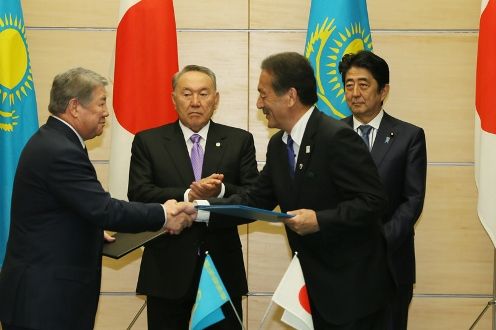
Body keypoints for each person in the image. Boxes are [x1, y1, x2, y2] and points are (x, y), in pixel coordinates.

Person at [198, 52, 395, 329]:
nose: (259, 104)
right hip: (315, 287)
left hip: (353, 292)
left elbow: (373, 202)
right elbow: (255, 199)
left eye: (263, 95)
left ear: (290, 96)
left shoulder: (336, 137)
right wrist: (199, 210)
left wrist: (319, 220)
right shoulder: (280, 145)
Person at [0, 68, 196, 330]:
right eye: (101, 103)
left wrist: (87, 229)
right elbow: (104, 209)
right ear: (74, 107)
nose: (106, 112)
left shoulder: (55, 141)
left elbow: (66, 209)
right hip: (45, 299)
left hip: (45, 294)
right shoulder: (60, 150)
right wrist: (164, 213)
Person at [127, 65, 259, 329]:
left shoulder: (239, 140)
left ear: (216, 99)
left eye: (203, 93)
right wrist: (188, 195)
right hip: (166, 269)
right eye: (187, 94)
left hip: (222, 268)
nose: (195, 102)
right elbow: (139, 193)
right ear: (173, 99)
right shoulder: (148, 141)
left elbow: (253, 197)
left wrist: (219, 192)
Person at [339, 50, 427, 330]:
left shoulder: (409, 136)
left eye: (363, 85)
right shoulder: (330, 135)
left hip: (390, 263)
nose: (355, 92)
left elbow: (412, 200)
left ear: (383, 90)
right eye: (349, 84)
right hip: (339, 266)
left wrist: (378, 242)